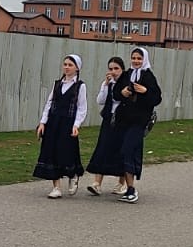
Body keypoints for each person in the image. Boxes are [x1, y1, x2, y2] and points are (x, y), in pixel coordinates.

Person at [111, 45, 162, 203]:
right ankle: (129, 188)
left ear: (144, 59)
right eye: (133, 58)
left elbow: (157, 98)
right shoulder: (127, 75)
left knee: (128, 149)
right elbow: (115, 94)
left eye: (139, 58)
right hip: (124, 120)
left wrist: (145, 91)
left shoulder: (148, 76)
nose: (136, 61)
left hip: (139, 121)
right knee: (128, 152)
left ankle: (131, 189)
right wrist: (122, 93)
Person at [32, 55, 87, 198]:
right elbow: (49, 103)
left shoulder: (80, 86)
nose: (67, 67)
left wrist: (76, 125)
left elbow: (82, 108)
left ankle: (73, 175)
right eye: (65, 64)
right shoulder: (57, 84)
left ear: (77, 68)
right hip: (53, 122)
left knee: (67, 151)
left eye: (70, 65)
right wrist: (43, 122)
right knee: (51, 152)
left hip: (68, 123)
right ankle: (56, 187)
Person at [83, 56, 126, 196]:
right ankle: (97, 183)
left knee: (122, 151)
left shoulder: (126, 83)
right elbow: (100, 100)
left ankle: (121, 183)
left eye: (116, 68)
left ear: (122, 69)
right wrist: (105, 85)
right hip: (108, 119)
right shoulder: (109, 84)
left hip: (123, 120)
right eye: (111, 68)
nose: (113, 71)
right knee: (102, 148)